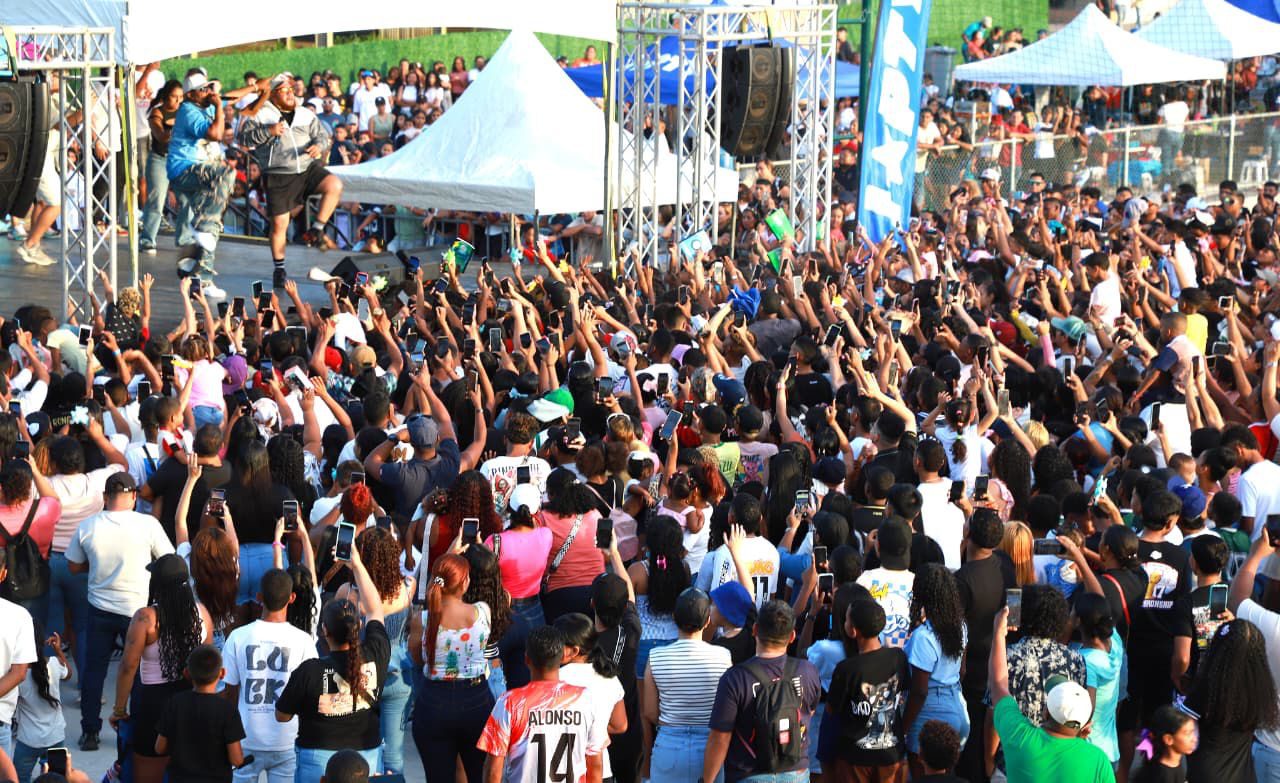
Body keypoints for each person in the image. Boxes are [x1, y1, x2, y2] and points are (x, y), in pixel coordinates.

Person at [65, 471, 174, 752]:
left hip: (99, 608)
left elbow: (74, 566)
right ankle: (133, 727)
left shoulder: (88, 525)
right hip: (136, 611)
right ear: (134, 497)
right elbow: (169, 561)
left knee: (93, 671)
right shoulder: (147, 524)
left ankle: (90, 731)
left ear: (105, 497)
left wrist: (96, 566)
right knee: (138, 670)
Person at [275, 545, 388, 779]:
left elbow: (282, 715)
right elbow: (375, 609)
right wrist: (356, 565)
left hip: (317, 758)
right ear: (359, 626)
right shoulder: (375, 653)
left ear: (324, 631)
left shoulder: (309, 671)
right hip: (365, 758)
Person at [110, 553, 213, 783]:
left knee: (149, 771)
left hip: (152, 704)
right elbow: (207, 664)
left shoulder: (145, 618)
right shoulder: (203, 614)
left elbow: (128, 666)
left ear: (156, 584)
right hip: (191, 699)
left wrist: (119, 710)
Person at [988, 607, 1115, 782]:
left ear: (1046, 712)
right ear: (1085, 724)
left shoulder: (1020, 737)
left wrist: (998, 632)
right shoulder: (1098, 761)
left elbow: (998, 685)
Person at [237, 73, 343, 285]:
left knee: (334, 185)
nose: (290, 94)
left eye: (291, 90)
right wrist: (269, 131)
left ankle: (317, 229)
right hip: (278, 173)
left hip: (306, 167)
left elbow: (323, 136)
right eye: (284, 90)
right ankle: (279, 268)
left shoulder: (304, 113)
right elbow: (244, 139)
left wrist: (319, 146)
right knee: (280, 224)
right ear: (273, 94)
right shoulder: (260, 113)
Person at [703, 600, 821, 783]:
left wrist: (707, 780)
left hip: (749, 774)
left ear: (755, 629)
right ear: (792, 636)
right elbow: (808, 713)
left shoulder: (735, 678)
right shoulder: (808, 671)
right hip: (796, 772)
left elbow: (720, 738)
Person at [221, 567, 318, 783]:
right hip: (287, 740)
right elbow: (311, 695)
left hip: (245, 738)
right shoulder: (304, 641)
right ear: (291, 598)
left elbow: (230, 693)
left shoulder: (237, 637)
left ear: (259, 598)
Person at [478, 625, 608, 783]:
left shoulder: (509, 703)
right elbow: (595, 765)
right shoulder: (585, 699)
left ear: (527, 659)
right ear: (562, 658)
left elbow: (493, 771)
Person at [407, 552, 494, 783]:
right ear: (464, 583)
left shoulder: (422, 619)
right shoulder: (482, 611)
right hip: (477, 698)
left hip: (434, 701)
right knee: (479, 775)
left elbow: (417, 659)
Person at [642, 587, 731, 783]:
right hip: (710, 747)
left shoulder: (656, 657)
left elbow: (650, 712)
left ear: (674, 618)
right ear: (707, 621)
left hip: (668, 746)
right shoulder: (723, 656)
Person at [1182, 618, 1279, 783]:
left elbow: (1182, 725)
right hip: (1243, 774)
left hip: (1205, 771)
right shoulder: (1261, 691)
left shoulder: (1208, 687)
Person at [166, 72, 235, 299]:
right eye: (203, 90)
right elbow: (216, 134)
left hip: (198, 173)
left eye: (209, 88)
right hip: (184, 170)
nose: (208, 93)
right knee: (226, 173)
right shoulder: (188, 110)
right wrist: (219, 106)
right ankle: (200, 226)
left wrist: (259, 89)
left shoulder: (205, 106)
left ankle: (204, 280)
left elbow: (233, 97)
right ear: (190, 94)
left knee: (212, 226)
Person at [825, 598, 910, 782]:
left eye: (847, 619)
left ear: (853, 631)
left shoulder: (846, 669)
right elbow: (903, 692)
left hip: (855, 759)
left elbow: (832, 709)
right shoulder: (898, 657)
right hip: (892, 756)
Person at [155, 644, 247, 782]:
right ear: (222, 673)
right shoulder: (227, 710)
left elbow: (160, 748)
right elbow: (236, 759)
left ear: (187, 673)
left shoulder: (175, 703)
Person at [554, 613, 626, 783]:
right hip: (602, 770)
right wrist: (596, 729)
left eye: (557, 643)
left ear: (574, 651)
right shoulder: (610, 677)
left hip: (562, 770)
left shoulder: (555, 678)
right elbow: (620, 725)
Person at [12, 625, 69, 783]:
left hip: (28, 740)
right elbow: (68, 674)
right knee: (58, 779)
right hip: (56, 736)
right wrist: (58, 650)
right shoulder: (54, 663)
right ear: (43, 641)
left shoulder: (17, 675)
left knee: (20, 778)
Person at [1132, 705, 1197, 783]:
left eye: (1193, 732)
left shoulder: (1175, 765)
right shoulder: (1161, 775)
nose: (1194, 739)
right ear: (1168, 739)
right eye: (1187, 733)